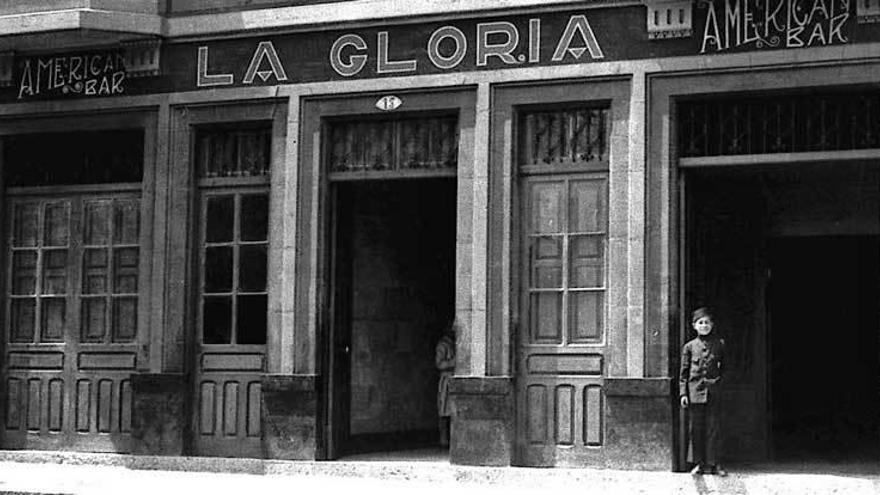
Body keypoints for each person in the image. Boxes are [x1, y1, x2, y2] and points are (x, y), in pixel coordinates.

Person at [679, 306, 727, 476]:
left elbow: (726, 369)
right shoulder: (689, 347)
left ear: (712, 325)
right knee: (696, 429)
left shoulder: (720, 344)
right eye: (701, 322)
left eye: (707, 322)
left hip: (714, 393)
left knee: (713, 429)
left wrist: (719, 385)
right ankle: (699, 464)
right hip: (695, 393)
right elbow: (683, 373)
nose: (704, 325)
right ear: (694, 326)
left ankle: (715, 464)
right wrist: (683, 394)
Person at [435, 324, 456, 447]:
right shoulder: (443, 345)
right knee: (443, 411)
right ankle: (443, 438)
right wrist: (453, 362)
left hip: (453, 378)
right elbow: (439, 364)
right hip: (446, 381)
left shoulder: (455, 344)